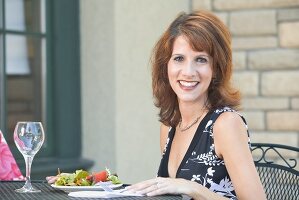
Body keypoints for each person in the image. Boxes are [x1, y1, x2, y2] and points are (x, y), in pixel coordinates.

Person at [125, 10, 266, 200]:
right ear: (165, 66)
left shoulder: (226, 124)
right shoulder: (169, 127)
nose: (188, 72)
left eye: (201, 59)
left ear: (216, 69)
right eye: (179, 59)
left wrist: (193, 189)